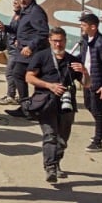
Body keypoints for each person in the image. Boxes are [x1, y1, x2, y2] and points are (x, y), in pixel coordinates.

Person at [19, 25, 82, 185]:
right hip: (46, 102)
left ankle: (57, 162)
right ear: (49, 41)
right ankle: (50, 168)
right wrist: (50, 86)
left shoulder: (72, 61)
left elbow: (87, 84)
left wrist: (85, 72)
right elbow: (29, 77)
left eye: (60, 41)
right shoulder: (41, 56)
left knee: (62, 139)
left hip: (66, 105)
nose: (58, 45)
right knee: (50, 135)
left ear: (66, 41)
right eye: (54, 41)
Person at [0, 0, 51, 103]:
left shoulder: (35, 12)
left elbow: (43, 32)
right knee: (18, 75)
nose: (22, 0)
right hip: (22, 51)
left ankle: (28, 105)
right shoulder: (25, 11)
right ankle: (26, 105)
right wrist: (5, 27)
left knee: (19, 75)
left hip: (32, 52)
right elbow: (18, 29)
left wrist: (30, 46)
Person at [76, 12, 102, 151]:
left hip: (98, 83)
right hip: (88, 81)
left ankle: (98, 142)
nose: (81, 27)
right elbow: (84, 56)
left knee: (98, 112)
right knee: (89, 106)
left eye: (84, 25)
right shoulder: (87, 39)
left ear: (93, 27)